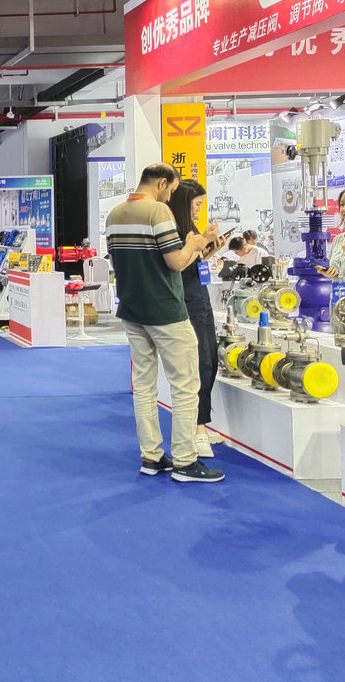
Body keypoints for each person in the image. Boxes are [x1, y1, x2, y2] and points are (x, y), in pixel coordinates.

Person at [104, 163, 224, 483]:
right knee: (185, 386)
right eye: (171, 190)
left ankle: (151, 456)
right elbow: (175, 262)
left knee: (144, 386)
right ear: (161, 182)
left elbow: (121, 262)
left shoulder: (114, 214)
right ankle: (185, 461)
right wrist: (196, 244)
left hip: (132, 309)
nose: (171, 197)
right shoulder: (159, 212)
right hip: (165, 310)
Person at [168, 178, 226, 459]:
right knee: (198, 362)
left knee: (210, 359)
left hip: (200, 295)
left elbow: (193, 261)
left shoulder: (189, 228)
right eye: (197, 204)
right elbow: (177, 265)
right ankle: (197, 429)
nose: (199, 209)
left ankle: (199, 422)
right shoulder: (174, 230)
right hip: (186, 298)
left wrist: (208, 248)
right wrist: (199, 241)